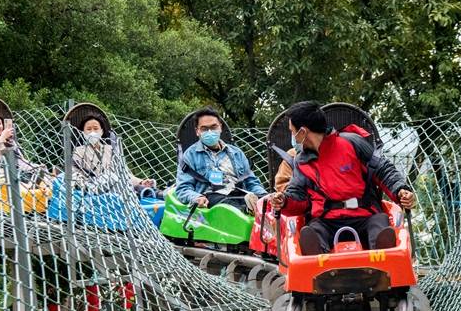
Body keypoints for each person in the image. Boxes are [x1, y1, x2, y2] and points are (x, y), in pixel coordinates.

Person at [269, 101, 415, 256]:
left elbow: (383, 170)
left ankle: (383, 253)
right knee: (314, 229)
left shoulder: (352, 142)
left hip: (364, 214)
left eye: (293, 131)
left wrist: (400, 190)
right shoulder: (302, 162)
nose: (293, 136)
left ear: (303, 132)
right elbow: (298, 197)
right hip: (326, 220)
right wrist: (284, 201)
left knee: (379, 222)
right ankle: (315, 254)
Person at [175, 107, 267, 213]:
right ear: (197, 131)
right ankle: (247, 210)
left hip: (239, 194)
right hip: (210, 199)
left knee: (265, 202)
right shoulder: (190, 156)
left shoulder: (237, 153)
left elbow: (251, 182)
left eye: (214, 127)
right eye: (204, 129)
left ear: (220, 127)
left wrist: (264, 196)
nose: (210, 132)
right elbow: (183, 189)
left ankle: (252, 207)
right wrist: (197, 198)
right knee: (226, 205)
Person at [71, 115, 158, 194]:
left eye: (95, 128)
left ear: (101, 131)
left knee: (117, 177)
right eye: (89, 129)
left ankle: (147, 190)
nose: (92, 132)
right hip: (91, 187)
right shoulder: (78, 151)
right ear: (83, 133)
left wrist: (141, 182)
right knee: (113, 177)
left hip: (114, 186)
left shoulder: (110, 149)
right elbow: (75, 172)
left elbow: (122, 172)